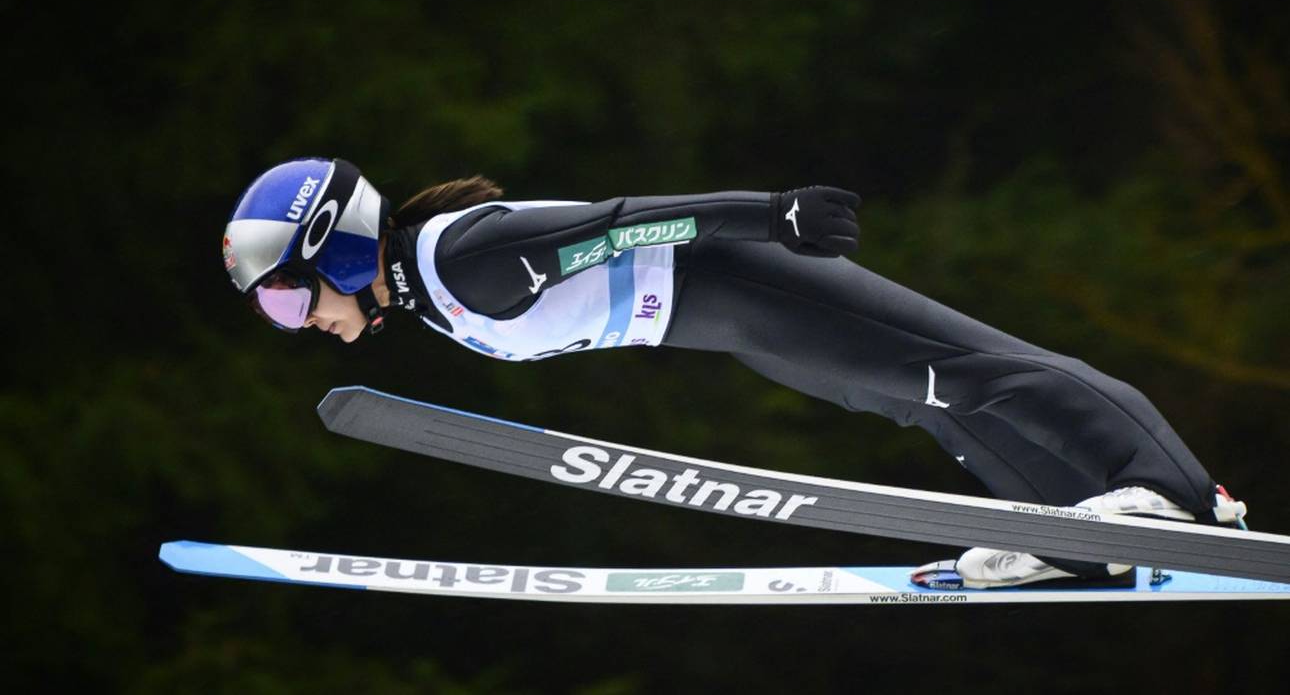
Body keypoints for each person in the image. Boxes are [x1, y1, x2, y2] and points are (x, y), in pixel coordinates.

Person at [222, 157, 1248, 589]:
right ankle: (1073, 539)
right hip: (729, 324)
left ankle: (1182, 500)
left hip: (748, 284)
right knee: (924, 402)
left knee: (975, 371)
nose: (294, 321)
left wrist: (772, 215)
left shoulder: (457, 254)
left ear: (340, 249)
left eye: (288, 297)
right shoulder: (429, 290)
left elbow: (617, 223)